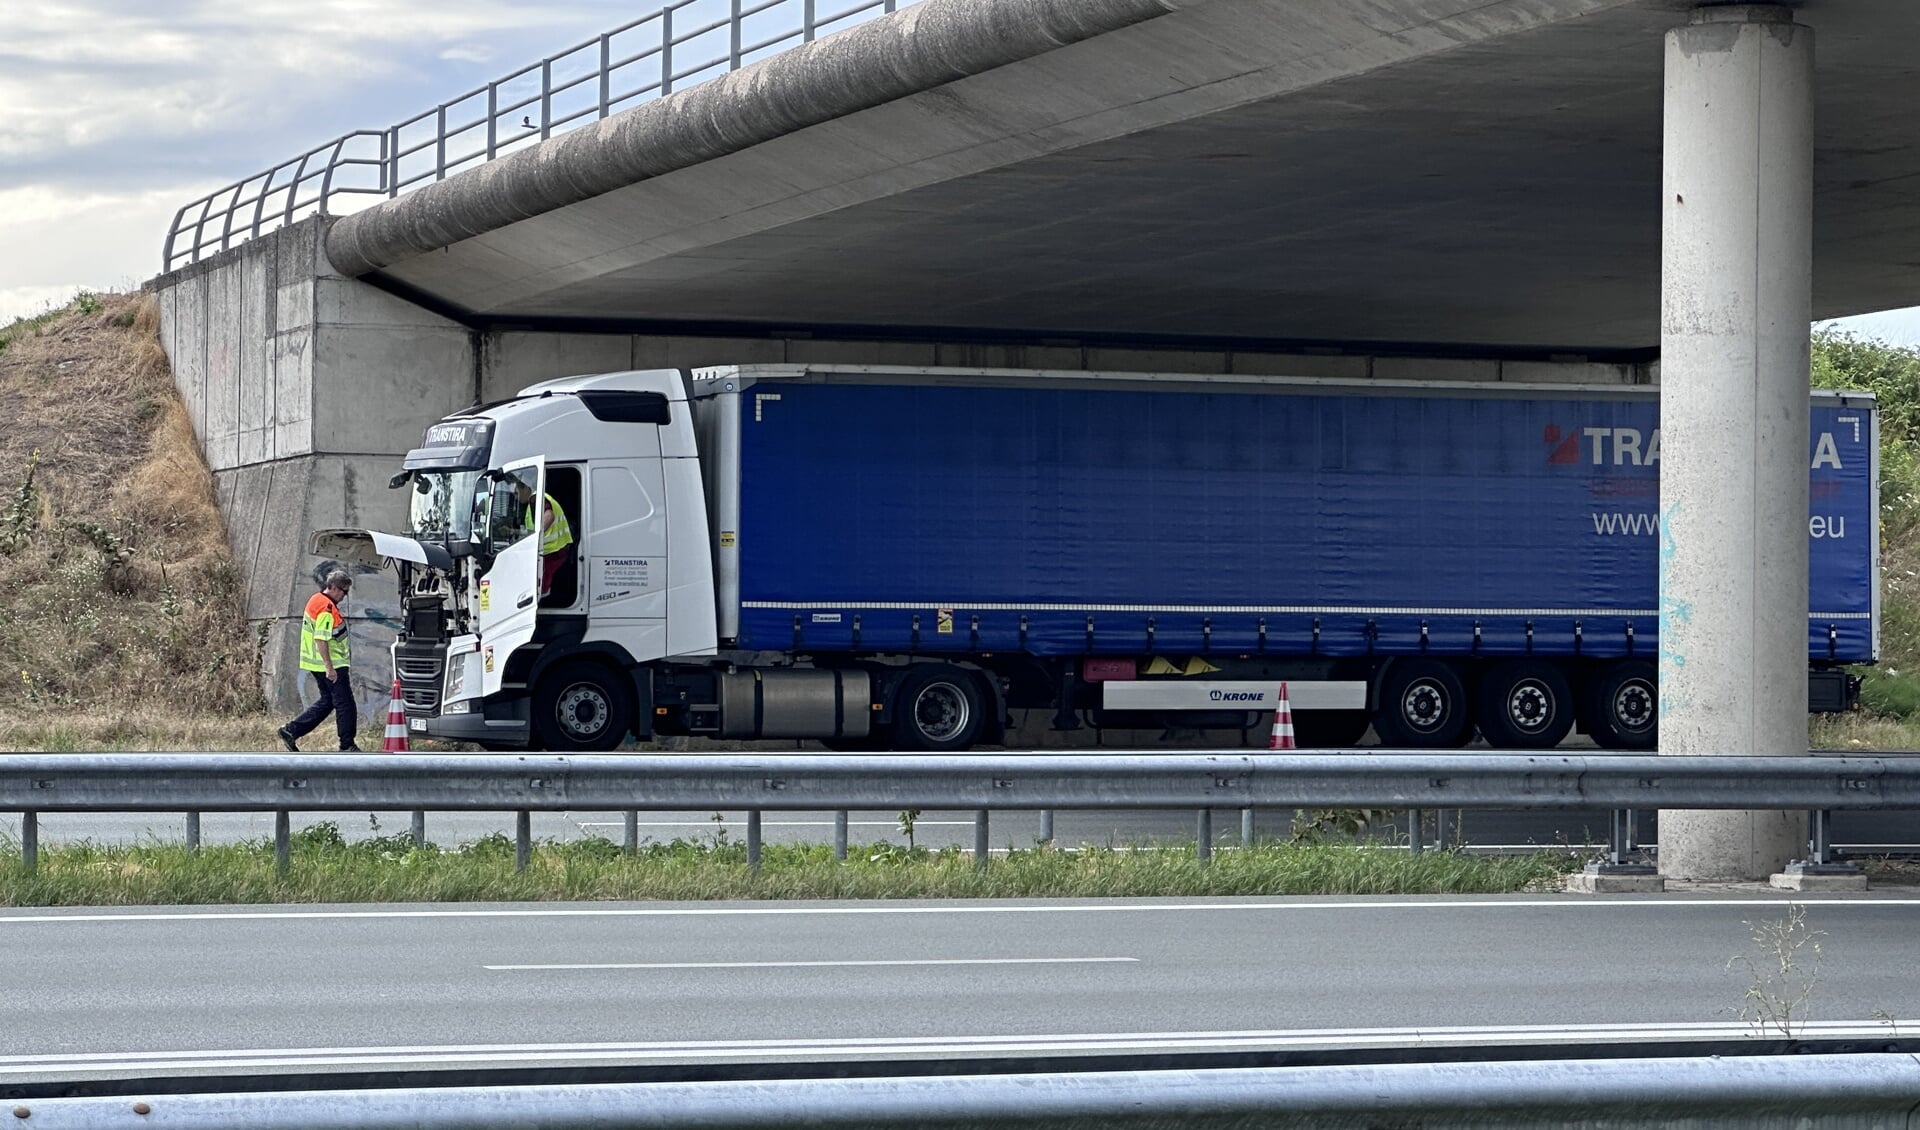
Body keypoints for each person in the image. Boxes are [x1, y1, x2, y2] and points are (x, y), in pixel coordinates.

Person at [277, 570, 361, 752]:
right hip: (331, 665)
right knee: (345, 704)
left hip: (316, 663)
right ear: (333, 587)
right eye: (344, 592)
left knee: (328, 701)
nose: (344, 596)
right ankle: (347, 745)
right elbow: (321, 638)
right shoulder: (326, 608)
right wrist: (330, 668)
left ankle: (291, 730)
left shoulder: (316, 599)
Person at [514, 480, 574, 600]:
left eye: (516, 493)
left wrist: (535, 537)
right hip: (557, 548)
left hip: (552, 550)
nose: (516, 497)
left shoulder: (535, 498)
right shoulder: (541, 498)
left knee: (541, 587)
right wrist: (513, 532)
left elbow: (549, 516)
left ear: (526, 488)